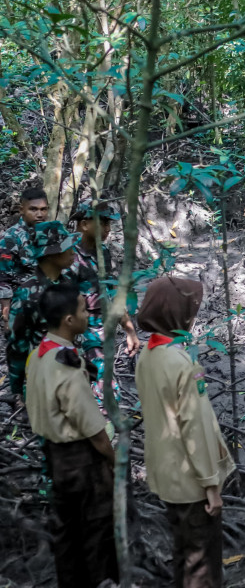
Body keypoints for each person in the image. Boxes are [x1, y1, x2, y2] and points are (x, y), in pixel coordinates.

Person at [135, 276, 235, 588]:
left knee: (183, 553)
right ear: (180, 315)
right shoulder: (184, 364)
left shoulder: (146, 355)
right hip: (191, 481)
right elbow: (197, 428)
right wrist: (211, 485)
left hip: (165, 477)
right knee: (202, 567)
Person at [24, 284, 118, 588]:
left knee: (67, 531)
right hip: (80, 460)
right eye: (81, 309)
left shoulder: (39, 354)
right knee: (97, 530)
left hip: (54, 455)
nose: (87, 313)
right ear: (67, 320)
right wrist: (113, 459)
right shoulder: (67, 363)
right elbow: (91, 426)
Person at [70, 199, 140, 409]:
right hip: (78, 328)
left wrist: (129, 330)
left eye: (109, 224)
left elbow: (110, 293)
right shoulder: (68, 255)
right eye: (103, 223)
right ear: (84, 224)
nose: (108, 229)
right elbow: (60, 302)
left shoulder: (103, 252)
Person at [8, 221, 80, 399]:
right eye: (66, 247)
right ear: (50, 255)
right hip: (44, 380)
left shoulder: (68, 284)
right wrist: (18, 390)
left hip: (72, 374)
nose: (73, 252)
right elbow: (17, 345)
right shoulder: (27, 294)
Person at [0, 187, 49, 325]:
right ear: (22, 210)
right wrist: (6, 310)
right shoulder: (10, 238)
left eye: (43, 209)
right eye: (33, 209)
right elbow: (3, 277)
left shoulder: (51, 235)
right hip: (23, 305)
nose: (39, 214)